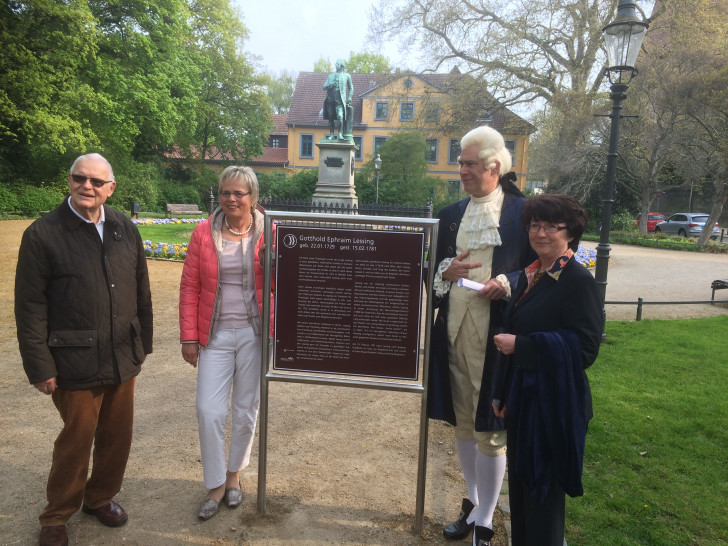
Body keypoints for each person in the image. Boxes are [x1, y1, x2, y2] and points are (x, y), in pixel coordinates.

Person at [15, 153, 153, 546]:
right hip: (72, 357)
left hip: (121, 353)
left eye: (96, 181)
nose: (86, 186)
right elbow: (29, 306)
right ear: (70, 181)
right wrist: (40, 365)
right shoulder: (44, 234)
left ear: (111, 188)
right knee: (76, 439)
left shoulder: (124, 227)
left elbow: (141, 288)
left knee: (116, 436)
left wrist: (142, 344)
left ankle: (100, 497)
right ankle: (56, 515)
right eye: (79, 178)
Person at [429, 126, 533, 546]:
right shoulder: (451, 213)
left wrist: (507, 282)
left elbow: (539, 266)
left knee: (491, 424)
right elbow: (433, 272)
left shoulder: (523, 213)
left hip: (497, 334)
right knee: (464, 420)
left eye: (469, 164)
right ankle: (472, 501)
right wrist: (444, 272)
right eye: (460, 163)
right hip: (453, 331)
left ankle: (487, 519)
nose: (461, 170)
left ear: (493, 167)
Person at [492, 194, 603, 545]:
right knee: (523, 493)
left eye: (551, 226)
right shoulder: (532, 275)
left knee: (543, 499)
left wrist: (524, 346)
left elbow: (585, 349)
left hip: (554, 406)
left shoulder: (576, 281)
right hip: (525, 400)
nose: (540, 233)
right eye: (534, 225)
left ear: (570, 233)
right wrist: (502, 392)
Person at [179, 166, 274, 521]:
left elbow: (287, 280)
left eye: (239, 193)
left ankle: (234, 476)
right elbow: (190, 286)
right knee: (209, 409)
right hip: (214, 334)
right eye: (226, 193)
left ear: (253, 197)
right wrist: (189, 336)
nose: (232, 199)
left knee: (246, 409)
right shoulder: (204, 232)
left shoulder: (270, 232)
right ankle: (215, 482)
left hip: (253, 333)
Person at [323, 58, 354, 140]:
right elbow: (324, 87)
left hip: (340, 100)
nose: (335, 66)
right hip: (330, 99)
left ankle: (339, 134)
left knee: (340, 117)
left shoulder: (347, 76)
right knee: (330, 117)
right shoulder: (331, 76)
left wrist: (349, 98)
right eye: (335, 64)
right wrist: (330, 84)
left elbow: (351, 88)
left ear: (342, 65)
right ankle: (332, 135)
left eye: (337, 64)